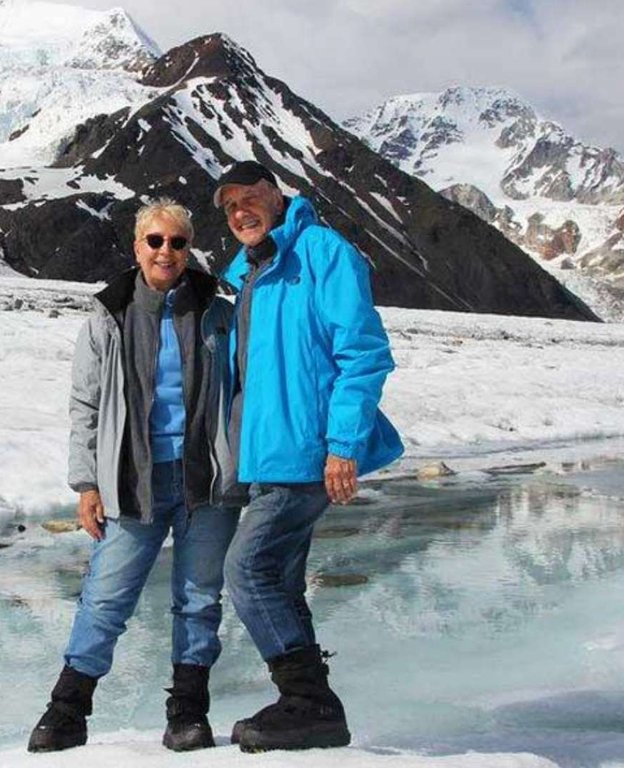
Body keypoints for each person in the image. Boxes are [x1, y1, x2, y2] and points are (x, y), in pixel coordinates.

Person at [28, 198, 242, 753]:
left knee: (199, 598)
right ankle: (67, 711)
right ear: (137, 246)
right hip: (131, 479)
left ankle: (188, 714)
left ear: (189, 248)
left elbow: (242, 391)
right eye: (155, 241)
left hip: (206, 481)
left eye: (176, 242)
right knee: (105, 595)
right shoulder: (109, 314)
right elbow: (87, 404)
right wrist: (86, 484)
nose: (165, 252)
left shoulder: (217, 312)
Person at [213, 160, 404, 752]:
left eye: (249, 198)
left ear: (275, 194)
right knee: (282, 580)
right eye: (229, 207)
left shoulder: (322, 253)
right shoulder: (250, 272)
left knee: (246, 570)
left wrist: (343, 445)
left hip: (307, 452)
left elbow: (363, 354)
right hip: (267, 457)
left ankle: (309, 701)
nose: (241, 212)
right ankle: (309, 706)